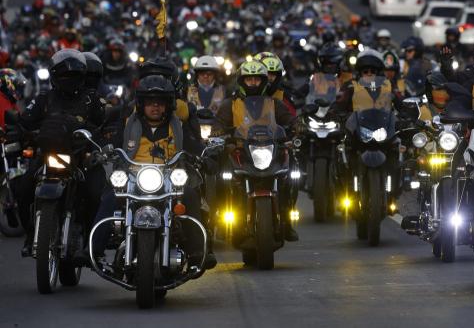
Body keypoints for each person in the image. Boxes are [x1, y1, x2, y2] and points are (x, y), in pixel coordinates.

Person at [16, 50, 109, 257]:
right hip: (49, 154)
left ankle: (91, 242)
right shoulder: (45, 98)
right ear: (55, 77)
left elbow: (103, 124)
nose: (68, 80)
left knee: (96, 193)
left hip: (81, 157)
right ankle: (31, 235)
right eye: (64, 76)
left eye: (73, 76)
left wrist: (102, 140)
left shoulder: (91, 99)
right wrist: (20, 131)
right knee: (22, 189)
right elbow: (26, 120)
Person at [122, 75, 216, 269]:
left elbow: (192, 144)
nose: (155, 107)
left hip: (169, 178)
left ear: (168, 105)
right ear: (141, 104)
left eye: (160, 103)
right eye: (150, 102)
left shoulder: (177, 126)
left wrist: (205, 156)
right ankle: (94, 250)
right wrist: (102, 151)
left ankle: (199, 252)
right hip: (133, 177)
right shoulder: (129, 124)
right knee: (108, 197)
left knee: (190, 195)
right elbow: (113, 144)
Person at [216, 61, 299, 241]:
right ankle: (222, 220)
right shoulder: (229, 104)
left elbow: (289, 119)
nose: (253, 83)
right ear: (241, 81)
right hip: (239, 152)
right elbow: (218, 125)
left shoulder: (274, 103)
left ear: (263, 82)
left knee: (291, 173)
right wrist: (219, 134)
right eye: (249, 79)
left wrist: (298, 126)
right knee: (221, 176)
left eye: (256, 79)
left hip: (269, 150)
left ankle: (287, 219)